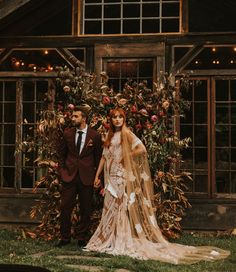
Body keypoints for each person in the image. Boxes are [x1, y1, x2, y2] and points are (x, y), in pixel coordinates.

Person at [84, 107, 230, 264]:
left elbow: (142, 149)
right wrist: (97, 175)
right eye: (114, 117)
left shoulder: (127, 134)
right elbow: (104, 158)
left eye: (120, 117)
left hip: (121, 177)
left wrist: (127, 155)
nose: (117, 120)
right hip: (110, 176)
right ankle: (108, 238)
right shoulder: (109, 135)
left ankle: (120, 238)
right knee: (109, 207)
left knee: (120, 207)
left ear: (124, 119)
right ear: (111, 120)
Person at [56, 106, 102, 248]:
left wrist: (98, 177)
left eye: (76, 116)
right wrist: (63, 171)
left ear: (84, 118)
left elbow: (98, 157)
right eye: (73, 116)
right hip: (69, 176)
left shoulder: (94, 136)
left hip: (86, 177)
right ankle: (65, 238)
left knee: (86, 209)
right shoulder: (67, 133)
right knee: (65, 207)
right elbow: (61, 155)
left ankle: (81, 237)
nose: (73, 118)